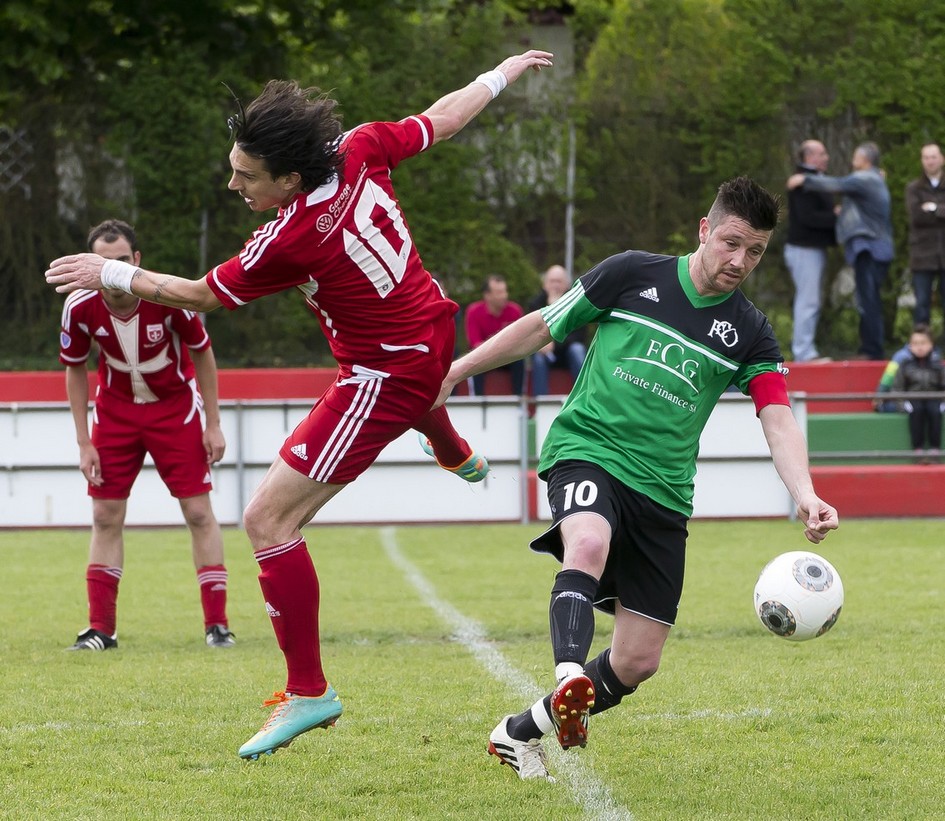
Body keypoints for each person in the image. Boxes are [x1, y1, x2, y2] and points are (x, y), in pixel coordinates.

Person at [46, 49, 554, 759]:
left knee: (265, 516)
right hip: (429, 331)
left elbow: (195, 295)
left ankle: (309, 691)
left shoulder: (291, 236)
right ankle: (446, 441)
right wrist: (498, 75)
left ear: (288, 176)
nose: (232, 183)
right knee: (404, 390)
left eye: (245, 175)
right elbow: (441, 117)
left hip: (385, 374)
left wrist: (111, 270)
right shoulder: (357, 148)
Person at [434, 177, 839, 782]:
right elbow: (545, 325)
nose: (739, 261)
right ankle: (569, 675)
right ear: (704, 229)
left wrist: (805, 494)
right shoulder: (630, 274)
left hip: (665, 493)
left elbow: (776, 416)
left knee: (637, 661)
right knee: (588, 540)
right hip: (588, 449)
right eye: (731, 243)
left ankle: (520, 732)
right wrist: (456, 370)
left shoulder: (750, 330)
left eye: (754, 252)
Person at [59, 219, 234, 651]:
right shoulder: (80, 305)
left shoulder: (168, 296)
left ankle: (217, 625)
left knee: (197, 513)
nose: (113, 270)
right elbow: (75, 369)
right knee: (104, 516)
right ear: (89, 264)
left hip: (175, 412)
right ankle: (101, 629)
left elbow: (203, 354)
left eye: (121, 260)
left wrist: (213, 423)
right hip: (115, 416)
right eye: (102, 262)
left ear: (136, 261)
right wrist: (84, 441)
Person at [788, 141, 893, 360]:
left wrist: (804, 179)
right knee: (866, 299)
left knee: (868, 300)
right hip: (867, 248)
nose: (852, 160)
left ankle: (872, 351)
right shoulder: (872, 178)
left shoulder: (865, 178)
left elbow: (837, 184)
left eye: (855, 155)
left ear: (864, 159)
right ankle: (806, 352)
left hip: (870, 248)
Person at [783, 140, 836, 362]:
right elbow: (809, 217)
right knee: (808, 300)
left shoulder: (810, 180)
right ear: (809, 158)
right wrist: (837, 216)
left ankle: (805, 350)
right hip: (804, 250)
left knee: (811, 299)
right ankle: (803, 352)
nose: (826, 157)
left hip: (812, 249)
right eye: (822, 154)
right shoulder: (803, 184)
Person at [528, 264, 587, 395]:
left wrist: (554, 343)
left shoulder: (577, 303)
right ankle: (541, 403)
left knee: (577, 350)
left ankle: (583, 395)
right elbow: (532, 332)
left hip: (567, 351)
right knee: (538, 356)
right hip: (545, 354)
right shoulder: (535, 303)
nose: (555, 285)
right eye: (552, 281)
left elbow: (579, 335)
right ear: (544, 284)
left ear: (567, 284)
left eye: (559, 281)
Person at [890, 325, 945, 462]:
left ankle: (934, 450)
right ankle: (918, 450)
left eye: (923, 343)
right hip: (913, 399)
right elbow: (897, 389)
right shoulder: (904, 365)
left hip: (934, 398)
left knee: (934, 412)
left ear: (931, 345)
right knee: (917, 411)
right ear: (909, 346)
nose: (919, 347)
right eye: (915, 343)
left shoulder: (938, 365)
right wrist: (903, 404)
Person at [464, 274, 526, 395]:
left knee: (520, 360)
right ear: (487, 295)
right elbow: (475, 344)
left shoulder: (515, 311)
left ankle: (519, 402)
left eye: (505, 291)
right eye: (499, 292)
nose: (504, 296)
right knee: (474, 360)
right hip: (484, 356)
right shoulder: (473, 312)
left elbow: (520, 341)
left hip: (507, 356)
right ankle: (477, 401)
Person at [905, 143, 945, 325]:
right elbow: (917, 218)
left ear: (942, 159)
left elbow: (927, 215)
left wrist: (934, 209)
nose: (930, 161)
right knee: (922, 304)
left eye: (934, 157)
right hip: (922, 254)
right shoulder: (914, 188)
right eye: (926, 157)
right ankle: (923, 349)